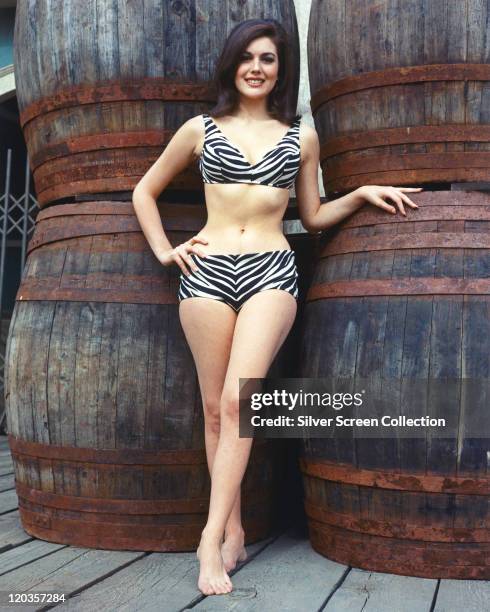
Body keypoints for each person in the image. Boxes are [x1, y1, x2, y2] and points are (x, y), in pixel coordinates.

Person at [132, 18, 422, 596]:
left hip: (270, 271)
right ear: (232, 65)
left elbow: (311, 218)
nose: (257, 67)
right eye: (247, 57)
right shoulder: (199, 129)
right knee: (215, 410)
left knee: (242, 404)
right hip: (205, 272)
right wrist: (166, 251)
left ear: (280, 70)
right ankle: (235, 529)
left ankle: (208, 540)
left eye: (268, 59)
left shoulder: (301, 136)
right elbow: (144, 191)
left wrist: (360, 195)